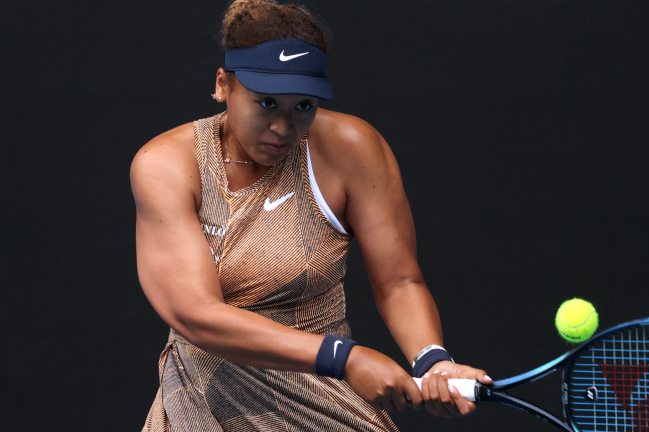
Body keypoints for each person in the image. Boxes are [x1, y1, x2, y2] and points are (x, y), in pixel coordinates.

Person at [131, 1, 492, 430]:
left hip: (322, 401)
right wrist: (344, 357)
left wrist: (433, 361)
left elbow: (399, 281)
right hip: (202, 403)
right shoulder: (166, 164)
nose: (284, 127)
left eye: (303, 106)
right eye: (266, 103)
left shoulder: (352, 149)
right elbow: (196, 314)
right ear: (223, 85)